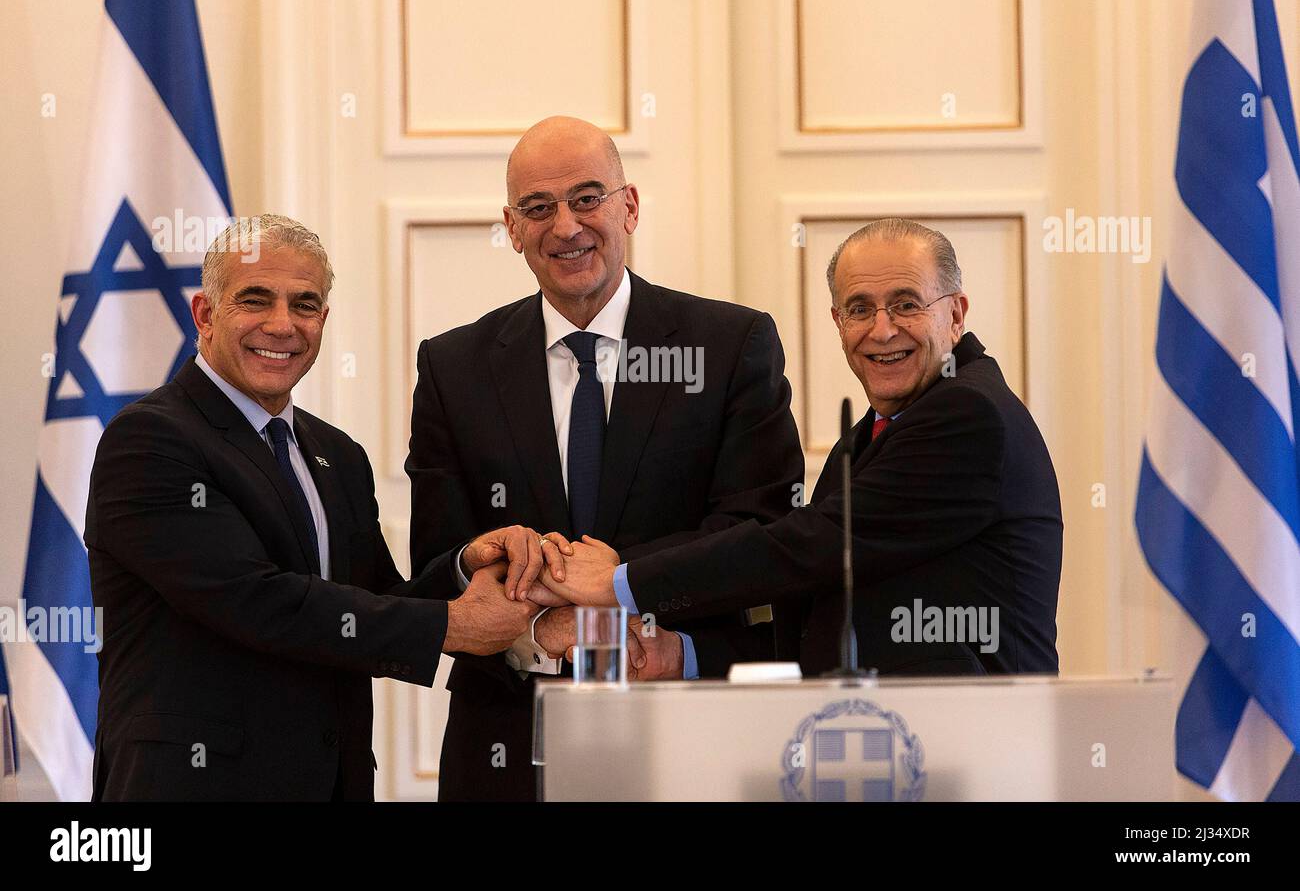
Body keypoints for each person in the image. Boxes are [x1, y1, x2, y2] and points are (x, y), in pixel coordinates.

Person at [408, 116, 804, 801]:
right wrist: (533, 620)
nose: (565, 226)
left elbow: (759, 534)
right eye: (538, 208)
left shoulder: (729, 345)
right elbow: (437, 562)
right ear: (510, 227)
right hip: (503, 746)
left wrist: (621, 585)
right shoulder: (454, 366)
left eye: (587, 197)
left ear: (630, 206)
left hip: (686, 738)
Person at [87, 215, 536, 801]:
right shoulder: (149, 440)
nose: (282, 325)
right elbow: (255, 600)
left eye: (304, 305)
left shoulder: (337, 455)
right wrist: (455, 626)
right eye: (255, 300)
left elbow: (370, 602)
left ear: (322, 320)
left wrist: (465, 567)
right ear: (205, 314)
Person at [536, 218, 1063, 677]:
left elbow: (809, 545)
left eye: (906, 304)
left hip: (974, 752)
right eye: (859, 309)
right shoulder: (865, 441)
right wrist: (682, 655)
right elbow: (818, 626)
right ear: (837, 323)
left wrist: (619, 581)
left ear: (956, 313)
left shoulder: (970, 415)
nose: (882, 330)